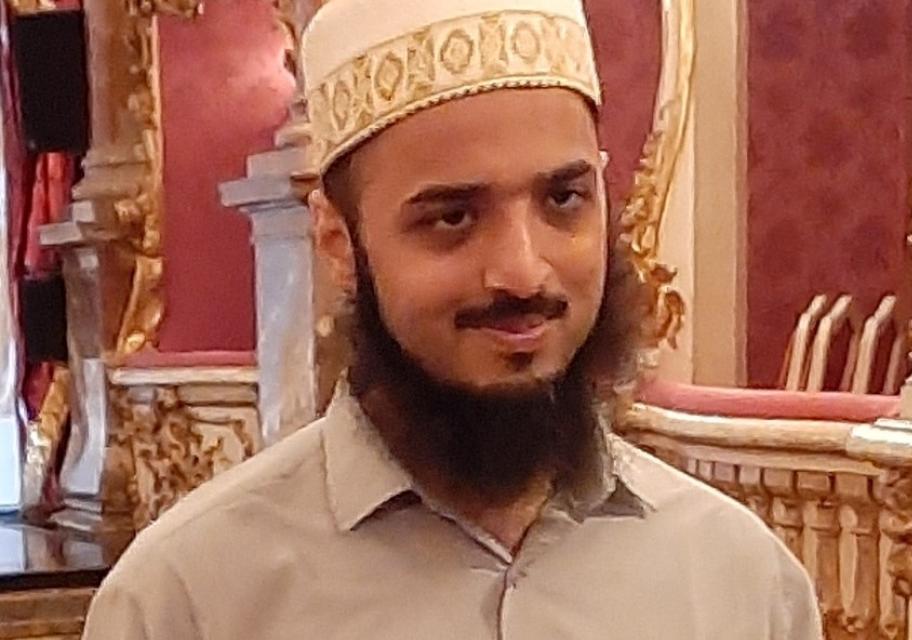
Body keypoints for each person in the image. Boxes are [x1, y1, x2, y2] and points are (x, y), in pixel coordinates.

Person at [81, 1, 823, 638]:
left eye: (563, 200)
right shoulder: (186, 602)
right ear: (339, 243)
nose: (523, 272)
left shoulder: (741, 584)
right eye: (453, 217)